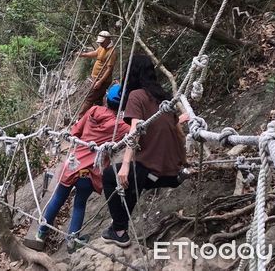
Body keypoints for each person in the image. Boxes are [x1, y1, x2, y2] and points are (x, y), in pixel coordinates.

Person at [101, 55, 188, 247]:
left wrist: (124, 165)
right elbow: (179, 133)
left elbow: (135, 130)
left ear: (130, 74)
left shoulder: (136, 95)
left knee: (110, 176)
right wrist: (184, 163)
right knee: (133, 182)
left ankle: (118, 230)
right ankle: (120, 228)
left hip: (154, 172)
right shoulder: (163, 97)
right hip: (172, 174)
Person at [35, 84, 130, 253]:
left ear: (106, 99)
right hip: (90, 172)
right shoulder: (120, 126)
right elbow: (136, 134)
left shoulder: (93, 110)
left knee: (57, 198)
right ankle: (72, 241)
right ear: (123, 105)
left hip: (73, 164)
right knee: (79, 204)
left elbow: (75, 132)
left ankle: (40, 234)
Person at [77, 30, 118, 118]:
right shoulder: (102, 48)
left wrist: (100, 82)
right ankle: (98, 117)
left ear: (108, 40)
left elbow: (109, 69)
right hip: (96, 78)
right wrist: (83, 55)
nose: (101, 44)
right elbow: (95, 53)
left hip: (102, 80)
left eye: (102, 42)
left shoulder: (111, 52)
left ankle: (80, 118)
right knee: (98, 99)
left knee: (89, 98)